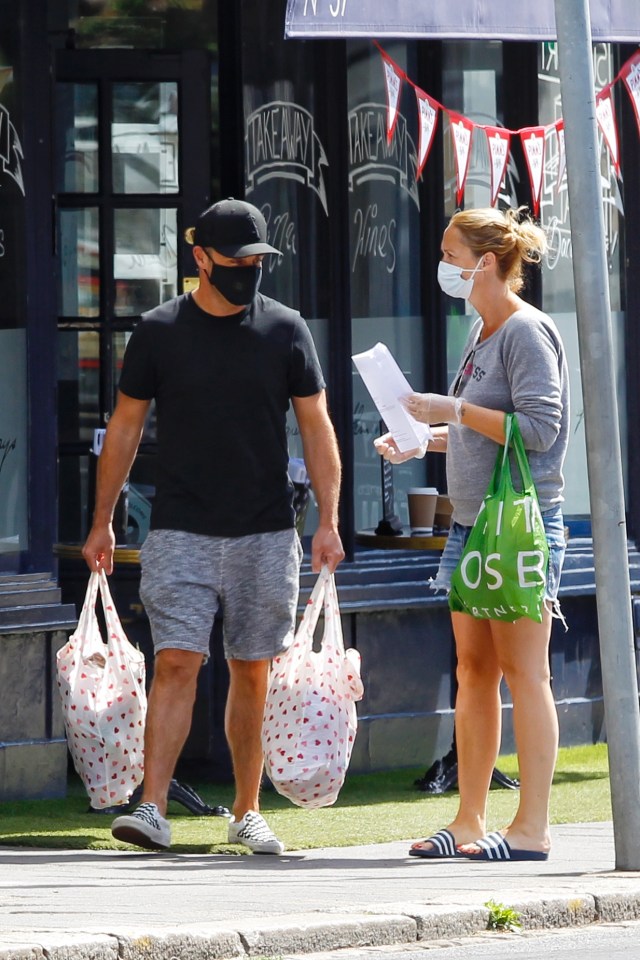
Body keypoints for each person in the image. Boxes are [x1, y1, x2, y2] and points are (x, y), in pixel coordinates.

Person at [82, 197, 344, 855]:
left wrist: (330, 520)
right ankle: (152, 807)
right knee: (176, 662)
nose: (248, 270)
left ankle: (247, 810)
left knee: (253, 671)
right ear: (200, 257)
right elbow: (125, 426)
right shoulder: (159, 330)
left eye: (258, 260)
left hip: (266, 531)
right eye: (236, 260)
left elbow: (317, 425)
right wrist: (102, 520)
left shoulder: (285, 330)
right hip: (180, 528)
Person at [375, 206, 569, 862]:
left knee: (525, 672)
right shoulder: (481, 332)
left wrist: (451, 410)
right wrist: (421, 440)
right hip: (470, 525)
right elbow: (479, 430)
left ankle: (532, 828)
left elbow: (541, 432)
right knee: (472, 670)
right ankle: (468, 820)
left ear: (483, 264)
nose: (443, 266)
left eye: (448, 253)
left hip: (519, 527)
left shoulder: (524, 331)